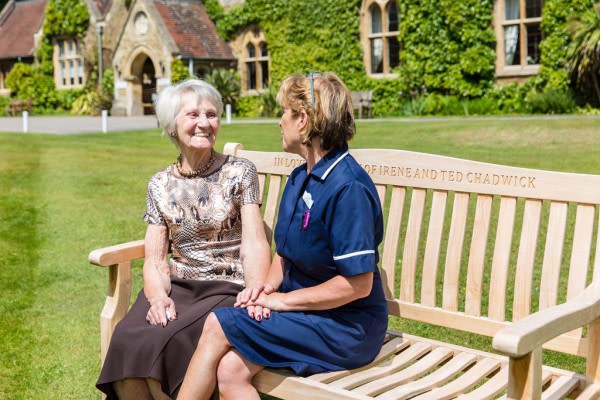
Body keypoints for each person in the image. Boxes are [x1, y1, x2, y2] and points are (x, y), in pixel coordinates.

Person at [177, 72, 388, 400]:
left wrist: (283, 302)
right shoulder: (301, 176)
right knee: (230, 370)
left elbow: (358, 285)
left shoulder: (348, 189)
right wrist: (264, 289)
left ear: (303, 120)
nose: (279, 122)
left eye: (285, 112)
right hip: (307, 312)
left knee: (218, 323)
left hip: (346, 327)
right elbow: (285, 255)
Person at [96, 79, 271, 399]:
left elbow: (255, 241)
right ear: (172, 126)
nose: (205, 123)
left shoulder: (239, 171)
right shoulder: (159, 184)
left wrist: (256, 291)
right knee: (127, 339)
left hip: (226, 286)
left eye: (212, 114)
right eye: (193, 115)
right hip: (178, 287)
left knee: (166, 343)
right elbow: (155, 258)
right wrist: (158, 298)